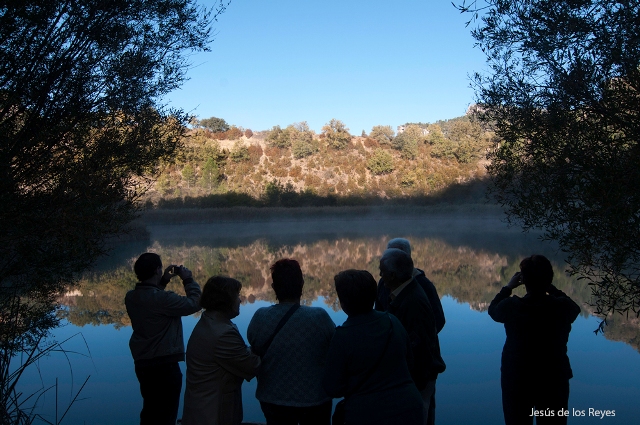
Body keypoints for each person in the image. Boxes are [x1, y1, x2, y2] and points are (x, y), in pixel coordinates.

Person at [323, 269, 425, 425]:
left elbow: (332, 388)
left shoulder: (343, 337)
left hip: (365, 414)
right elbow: (410, 363)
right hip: (410, 408)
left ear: (343, 304)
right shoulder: (393, 322)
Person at [489, 255, 581, 425]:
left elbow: (493, 310)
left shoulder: (512, 306)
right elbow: (575, 307)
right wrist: (549, 287)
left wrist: (508, 287)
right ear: (549, 279)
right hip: (554, 377)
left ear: (524, 281)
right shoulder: (561, 307)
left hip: (517, 377)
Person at [247, 259, 336, 425]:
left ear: (274, 288)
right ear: (302, 284)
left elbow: (253, 343)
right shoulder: (319, 317)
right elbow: (335, 347)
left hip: (272, 398)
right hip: (314, 399)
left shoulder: (260, 317)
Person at [125, 252, 201, 425]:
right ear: (157, 270)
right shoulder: (163, 299)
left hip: (143, 363)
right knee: (166, 415)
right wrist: (187, 280)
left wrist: (164, 281)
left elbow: (152, 296)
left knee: (151, 410)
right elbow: (195, 303)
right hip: (164, 365)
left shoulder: (131, 297)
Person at [377, 248, 445, 425]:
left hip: (416, 382)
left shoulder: (412, 303)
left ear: (392, 275)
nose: (379, 275)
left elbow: (419, 349)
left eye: (382, 271)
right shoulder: (405, 292)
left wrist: (410, 385)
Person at [182, 276, 261, 425]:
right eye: (236, 296)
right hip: (212, 414)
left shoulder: (209, 322)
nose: (240, 300)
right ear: (225, 301)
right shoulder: (222, 334)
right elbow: (253, 365)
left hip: (201, 410)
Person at [375, 238, 445, 333]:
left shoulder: (424, 285)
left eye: (396, 255)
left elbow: (438, 320)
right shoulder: (383, 283)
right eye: (388, 255)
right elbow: (379, 312)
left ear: (407, 258)